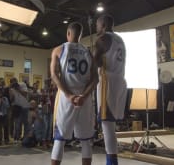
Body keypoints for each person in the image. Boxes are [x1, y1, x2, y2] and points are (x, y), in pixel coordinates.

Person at [50, 22, 97, 165]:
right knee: (86, 141)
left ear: (68, 33)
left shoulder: (59, 50)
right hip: (85, 98)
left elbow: (54, 75)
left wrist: (69, 95)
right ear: (81, 35)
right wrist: (84, 96)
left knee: (60, 139)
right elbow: (95, 78)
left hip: (66, 97)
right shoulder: (88, 52)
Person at [94, 15, 127, 165]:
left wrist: (91, 52)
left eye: (97, 25)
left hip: (108, 82)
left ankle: (111, 162)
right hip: (120, 81)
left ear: (103, 25)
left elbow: (95, 62)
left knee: (107, 126)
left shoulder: (103, 38)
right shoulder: (120, 40)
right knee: (110, 126)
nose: (96, 28)